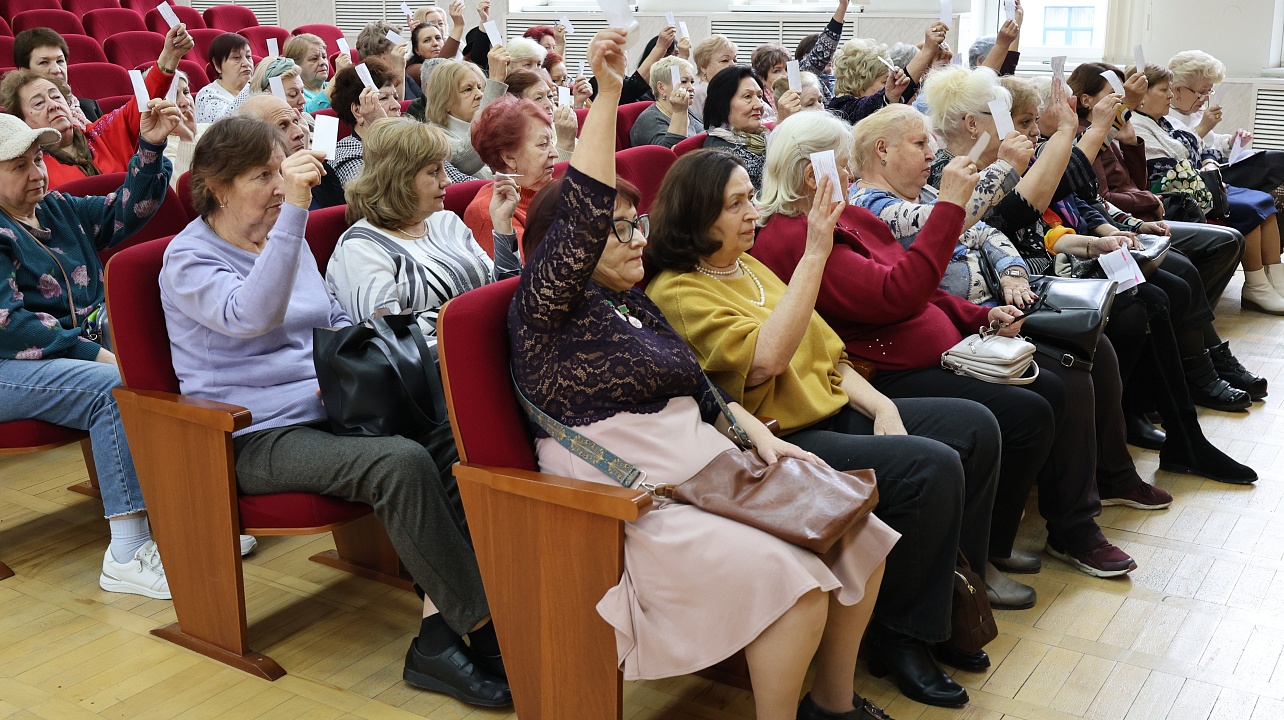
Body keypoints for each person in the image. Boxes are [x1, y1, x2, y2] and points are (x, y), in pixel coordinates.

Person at [511, 29, 894, 720]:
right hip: (630, 495)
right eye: (620, 230)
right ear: (561, 252)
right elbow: (587, 203)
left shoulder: (633, 301)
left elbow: (700, 385)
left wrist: (757, 435)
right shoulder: (545, 313)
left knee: (860, 534)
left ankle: (833, 705)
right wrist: (603, 95)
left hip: (707, 462)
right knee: (796, 583)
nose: (639, 239)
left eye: (639, 224)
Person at [160, 116, 511, 707]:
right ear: (216, 186)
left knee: (449, 434)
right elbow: (252, 314)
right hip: (251, 435)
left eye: (281, 171)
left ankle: (436, 633)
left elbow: (329, 320)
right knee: (397, 463)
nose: (279, 186)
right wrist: (293, 216)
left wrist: (366, 368)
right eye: (261, 176)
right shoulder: (189, 258)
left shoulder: (279, 236)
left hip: (328, 409)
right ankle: (486, 631)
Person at [647, 126, 1004, 708]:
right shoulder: (682, 290)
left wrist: (885, 406)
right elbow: (766, 362)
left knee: (975, 426)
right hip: (783, 442)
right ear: (696, 219)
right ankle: (903, 638)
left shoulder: (745, 266)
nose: (751, 213)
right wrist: (816, 250)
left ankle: (956, 597)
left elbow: (830, 356)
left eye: (749, 197)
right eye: (735, 205)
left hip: (834, 411)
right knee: (930, 468)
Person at [847, 105, 1179, 589]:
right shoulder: (870, 207)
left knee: (1098, 348)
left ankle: (1109, 480)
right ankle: (1073, 526)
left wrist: (1011, 272)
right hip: (959, 332)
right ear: (882, 150)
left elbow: (986, 231)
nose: (932, 153)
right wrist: (1003, 167)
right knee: (1064, 373)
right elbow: (950, 219)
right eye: (920, 144)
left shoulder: (922, 191)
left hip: (988, 315)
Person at [0, 105, 181, 597]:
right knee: (113, 386)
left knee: (169, 364)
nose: (38, 173)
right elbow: (10, 328)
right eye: (19, 167)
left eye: (38, 160)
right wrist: (93, 354)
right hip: (7, 367)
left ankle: (183, 522)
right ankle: (126, 552)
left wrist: (150, 147)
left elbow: (129, 210)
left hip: (67, 355)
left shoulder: (55, 210)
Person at [1067, 64, 1264, 403]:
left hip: (1134, 220)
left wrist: (1130, 145)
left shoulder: (1111, 131)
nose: (1119, 103)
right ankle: (1203, 364)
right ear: (1086, 101)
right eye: (1110, 96)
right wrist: (1142, 208)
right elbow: (1100, 198)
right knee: (1184, 272)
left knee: (1218, 248)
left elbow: (1128, 185)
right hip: (1121, 224)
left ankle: (1206, 357)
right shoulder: (1085, 136)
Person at [327, 117, 520, 342]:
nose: (446, 180)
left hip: (489, 344)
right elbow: (388, 342)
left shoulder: (446, 221)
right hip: (442, 366)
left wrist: (502, 225)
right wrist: (476, 327)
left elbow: (505, 292)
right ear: (399, 178)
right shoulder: (359, 248)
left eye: (443, 169)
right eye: (433, 171)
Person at [1129, 63, 1284, 314]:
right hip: (1178, 194)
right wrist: (1203, 156)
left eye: (1170, 90)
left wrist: (1209, 159)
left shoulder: (1165, 121)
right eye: (1164, 90)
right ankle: (1256, 285)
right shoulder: (1140, 124)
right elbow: (1167, 168)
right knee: (1249, 206)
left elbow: (1200, 149)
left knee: (1264, 200)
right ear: (1142, 95)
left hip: (1200, 181)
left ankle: (1275, 278)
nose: (1170, 95)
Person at [1, 24, 190, 189]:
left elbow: (141, 104)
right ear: (21, 119)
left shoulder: (102, 134)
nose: (53, 106)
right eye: (39, 103)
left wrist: (169, 57)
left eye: (56, 97)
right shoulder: (30, 168)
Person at [463, 95, 560, 254]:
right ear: (508, 157)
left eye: (552, 142)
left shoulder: (552, 190)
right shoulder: (488, 213)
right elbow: (529, 271)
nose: (555, 153)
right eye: (543, 145)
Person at [826, 23, 947, 126]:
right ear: (859, 82)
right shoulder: (842, 109)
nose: (890, 86)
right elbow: (878, 101)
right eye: (884, 82)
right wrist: (927, 51)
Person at [236, 95, 344, 209]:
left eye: (296, 122)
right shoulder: (255, 195)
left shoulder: (321, 172)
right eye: (282, 127)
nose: (300, 132)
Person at [418, 60, 503, 178]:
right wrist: (496, 82)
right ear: (445, 102)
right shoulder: (432, 137)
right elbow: (464, 161)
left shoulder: (494, 127)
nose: (480, 94)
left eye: (479, 87)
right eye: (468, 89)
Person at [330, 59, 404, 186]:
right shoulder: (346, 154)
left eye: (395, 97)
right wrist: (382, 127)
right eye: (383, 98)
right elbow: (370, 197)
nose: (396, 105)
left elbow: (449, 181)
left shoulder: (409, 136)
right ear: (358, 111)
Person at [701, 66, 771, 191]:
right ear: (723, 103)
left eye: (760, 96)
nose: (759, 105)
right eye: (747, 97)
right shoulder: (719, 152)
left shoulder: (765, 136)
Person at [12, 27, 101, 125]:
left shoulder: (90, 107)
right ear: (25, 71)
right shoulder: (17, 121)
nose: (56, 70)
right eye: (44, 62)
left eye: (60, 61)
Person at [504, 69, 577, 160]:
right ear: (516, 105)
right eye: (538, 98)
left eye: (550, 96)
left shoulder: (555, 128)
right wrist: (565, 142)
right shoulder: (519, 142)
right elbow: (552, 173)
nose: (549, 104)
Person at [631, 56, 703, 148]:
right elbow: (672, 155)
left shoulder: (687, 110)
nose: (691, 88)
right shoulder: (651, 120)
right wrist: (680, 111)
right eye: (684, 81)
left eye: (692, 82)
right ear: (661, 88)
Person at [793, 0, 850, 102]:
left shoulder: (836, 80)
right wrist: (842, 6)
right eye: (827, 55)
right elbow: (825, 47)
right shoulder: (803, 73)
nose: (829, 58)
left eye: (831, 55)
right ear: (806, 57)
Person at [195, 33, 254, 123]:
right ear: (217, 65)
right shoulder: (207, 95)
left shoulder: (258, 90)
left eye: (248, 56)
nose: (246, 63)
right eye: (236, 58)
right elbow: (226, 123)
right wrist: (252, 84)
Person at [284, 33, 342, 113]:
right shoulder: (295, 95)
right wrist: (339, 75)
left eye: (324, 57)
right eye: (314, 58)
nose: (323, 62)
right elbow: (309, 115)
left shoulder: (333, 86)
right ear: (296, 65)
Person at [357, 21, 415, 100]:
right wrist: (399, 68)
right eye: (397, 48)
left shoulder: (403, 76)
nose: (404, 52)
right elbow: (397, 107)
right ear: (382, 54)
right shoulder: (369, 83)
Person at [690, 34, 738, 120]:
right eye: (725, 60)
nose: (733, 65)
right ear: (704, 67)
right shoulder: (700, 93)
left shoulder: (731, 90)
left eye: (734, 60)